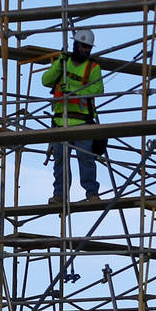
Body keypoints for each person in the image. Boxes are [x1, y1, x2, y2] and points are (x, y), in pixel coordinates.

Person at [41, 29, 104, 204]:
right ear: (75, 45)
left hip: (82, 121)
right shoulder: (63, 63)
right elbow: (45, 80)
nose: (86, 50)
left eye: (88, 47)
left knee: (86, 159)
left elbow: (98, 89)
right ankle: (60, 195)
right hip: (61, 121)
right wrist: (59, 65)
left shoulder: (93, 67)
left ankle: (92, 194)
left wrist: (76, 92)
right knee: (60, 161)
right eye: (83, 46)